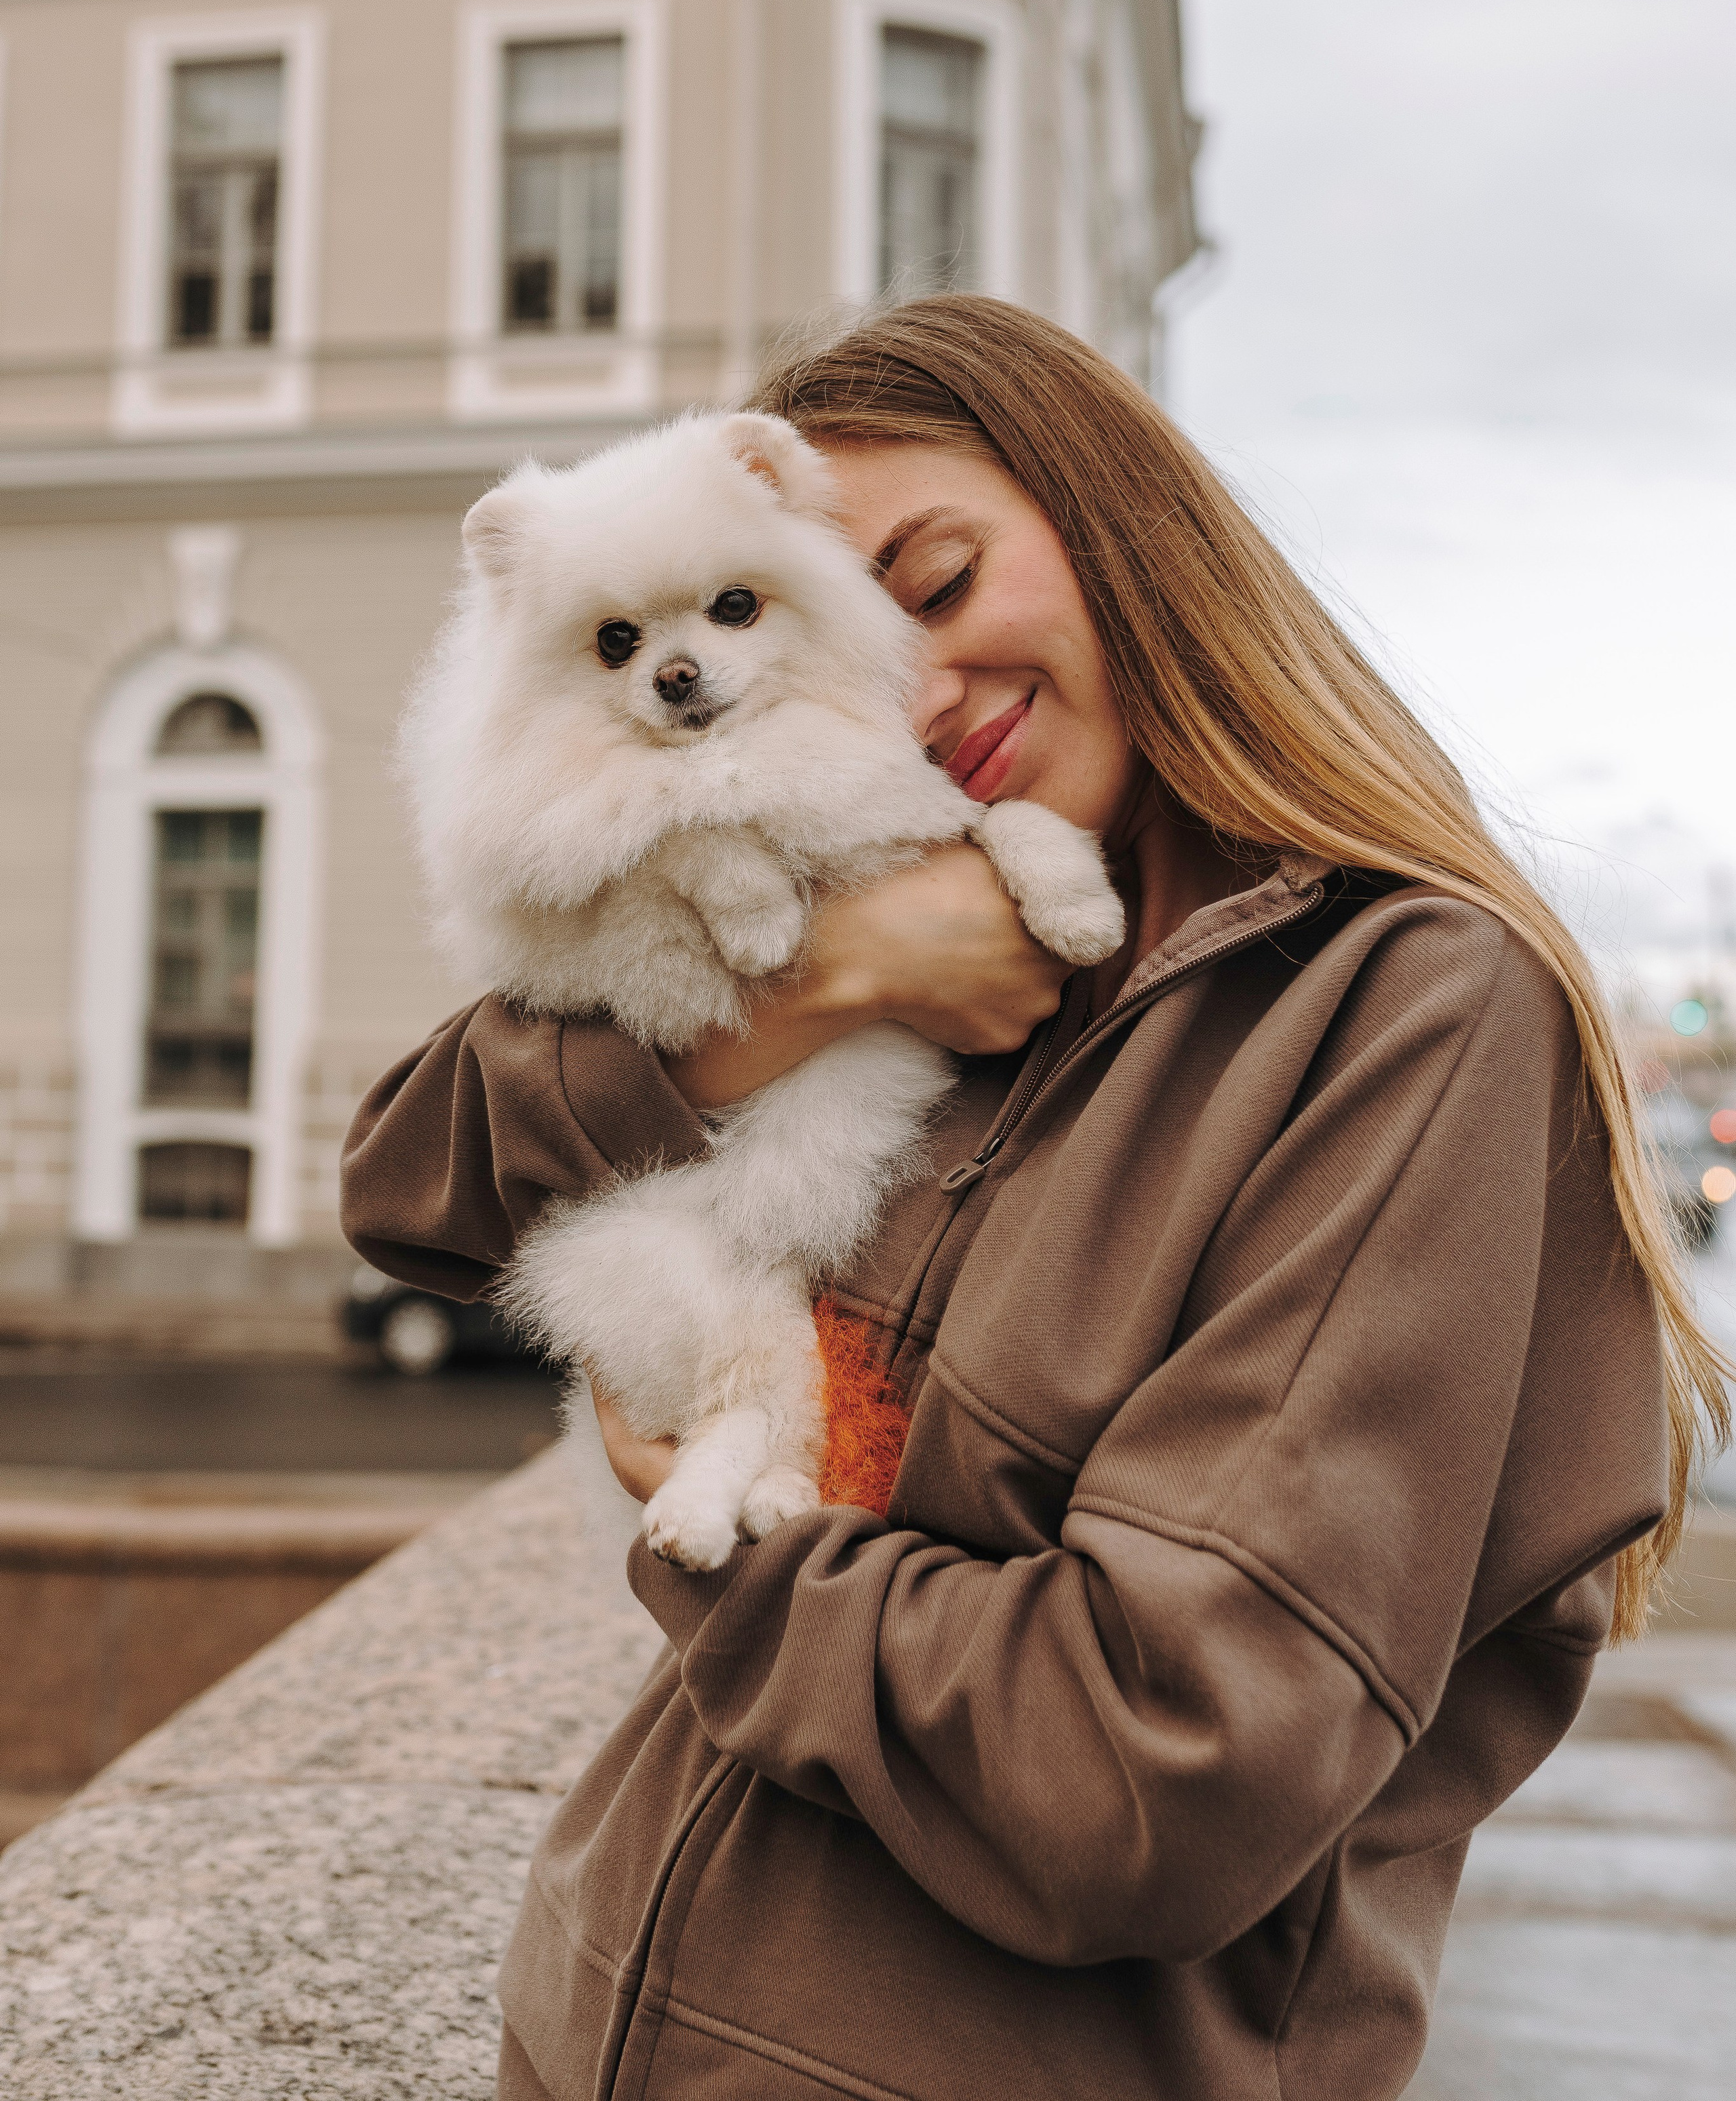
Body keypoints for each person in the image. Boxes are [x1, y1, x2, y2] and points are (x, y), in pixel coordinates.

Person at [342, 297, 1728, 2101]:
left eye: (934, 583)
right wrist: (810, 992)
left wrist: (726, 1530)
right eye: (841, 621)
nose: (900, 685)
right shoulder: (946, 943)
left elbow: (1156, 1779)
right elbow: (413, 1186)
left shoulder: (1406, 1014)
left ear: (1122, 532)